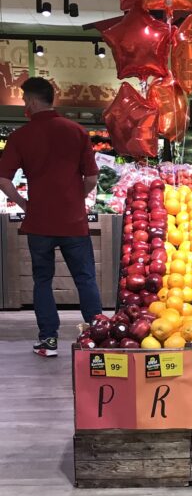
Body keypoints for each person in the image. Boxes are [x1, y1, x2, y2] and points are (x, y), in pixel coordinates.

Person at [0, 77, 102, 357]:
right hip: (74, 221)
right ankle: (97, 336)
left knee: (42, 280)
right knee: (85, 278)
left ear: (32, 101)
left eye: (24, 100)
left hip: (40, 222)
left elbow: (3, 180)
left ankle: (48, 340)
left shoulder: (21, 136)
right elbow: (92, 178)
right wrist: (74, 198)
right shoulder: (77, 131)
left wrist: (24, 203)